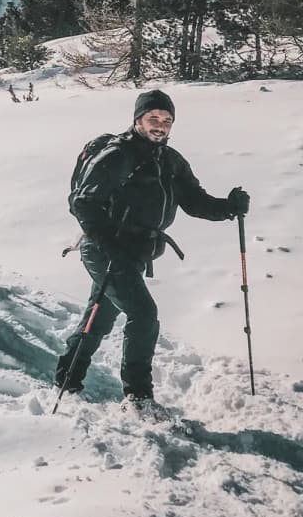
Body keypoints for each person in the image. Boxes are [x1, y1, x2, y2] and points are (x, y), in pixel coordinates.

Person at [55, 89, 250, 407]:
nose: (160, 125)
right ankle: (138, 397)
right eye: (153, 118)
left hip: (133, 252)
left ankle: (67, 380)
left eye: (167, 120)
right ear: (138, 120)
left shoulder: (170, 161)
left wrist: (228, 207)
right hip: (104, 249)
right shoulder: (119, 155)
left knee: (99, 317)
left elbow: (194, 200)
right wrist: (109, 243)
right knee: (144, 314)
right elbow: (83, 202)